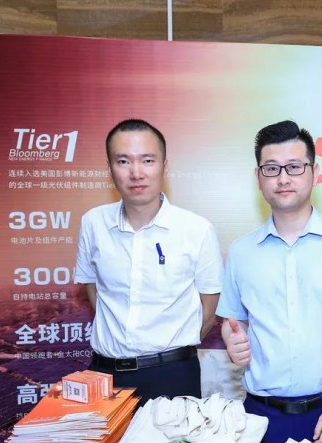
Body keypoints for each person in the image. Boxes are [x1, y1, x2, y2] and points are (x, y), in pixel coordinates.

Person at [217, 120, 322, 443]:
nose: (283, 178)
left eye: (294, 167)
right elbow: (234, 322)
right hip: (261, 418)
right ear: (258, 177)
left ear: (314, 172)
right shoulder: (241, 252)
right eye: (272, 168)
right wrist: (232, 341)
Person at [74, 118, 223, 401]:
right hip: (105, 374)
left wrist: (167, 350)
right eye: (123, 161)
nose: (136, 173)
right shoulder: (93, 223)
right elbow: (93, 290)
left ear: (164, 167)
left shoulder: (196, 229)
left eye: (147, 161)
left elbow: (208, 312)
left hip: (173, 376)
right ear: (110, 168)